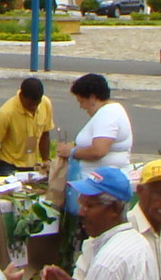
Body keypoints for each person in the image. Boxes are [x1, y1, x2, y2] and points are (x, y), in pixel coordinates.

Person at [55, 74, 133, 213]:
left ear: (92, 97)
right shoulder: (108, 112)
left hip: (102, 191)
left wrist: (72, 152)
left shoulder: (108, 114)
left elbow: (99, 150)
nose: (81, 107)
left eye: (81, 101)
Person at [0, 77, 54, 177]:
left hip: (32, 164)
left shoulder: (46, 103)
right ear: (21, 96)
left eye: (37, 104)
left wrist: (45, 161)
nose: (34, 108)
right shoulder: (6, 113)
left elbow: (45, 134)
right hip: (8, 165)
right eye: (30, 104)